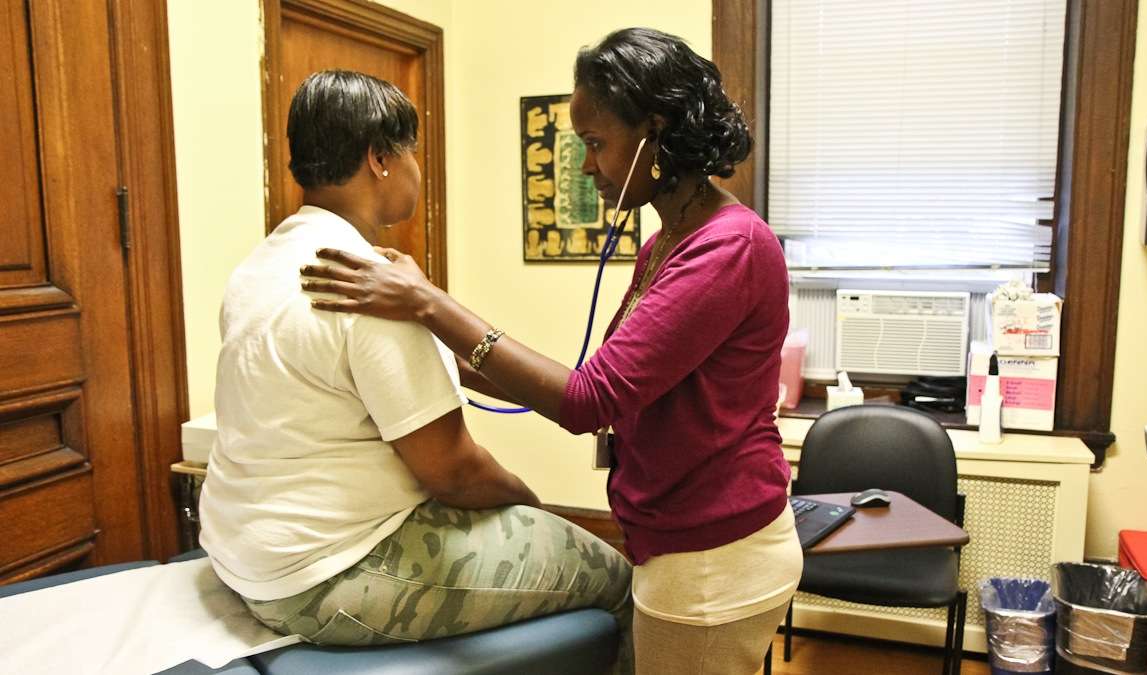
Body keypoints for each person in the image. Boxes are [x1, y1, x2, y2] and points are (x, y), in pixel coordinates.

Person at [301, 29, 802, 675]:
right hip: (674, 534)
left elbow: (588, 400)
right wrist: (422, 346)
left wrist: (428, 302)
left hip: (715, 555)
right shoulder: (667, 243)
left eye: (595, 143)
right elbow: (582, 383)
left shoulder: (726, 246)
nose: (587, 165)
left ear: (654, 131)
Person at [199, 69, 632, 673]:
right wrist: (531, 510)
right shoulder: (369, 290)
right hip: (327, 577)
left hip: (245, 553)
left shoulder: (259, 267)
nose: (416, 170)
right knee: (619, 582)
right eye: (411, 153)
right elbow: (454, 473)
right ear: (380, 157)